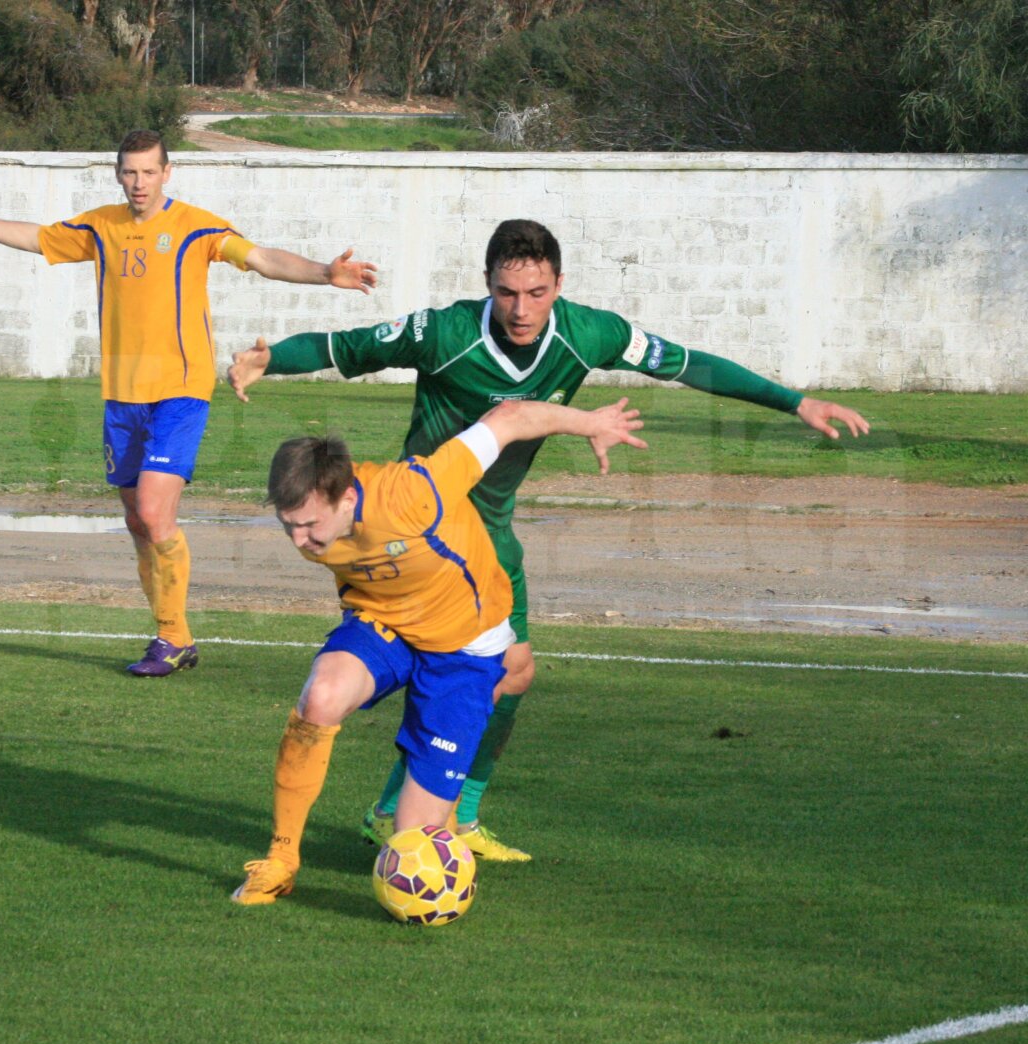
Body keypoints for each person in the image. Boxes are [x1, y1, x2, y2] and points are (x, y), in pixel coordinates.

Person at [229, 218, 870, 860]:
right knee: (458, 671)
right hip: (419, 539)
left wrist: (796, 403)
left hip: (493, 539)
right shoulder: (446, 333)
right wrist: (271, 359)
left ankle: (445, 814)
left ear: (559, 284)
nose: (521, 308)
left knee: (514, 675)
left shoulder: (591, 333)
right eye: (507, 292)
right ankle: (403, 813)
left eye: (536, 292)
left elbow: (686, 363)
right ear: (487, 285)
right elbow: (348, 348)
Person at [0, 129, 377, 677]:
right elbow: (39, 237)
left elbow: (259, 258)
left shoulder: (195, 227)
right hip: (121, 400)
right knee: (139, 523)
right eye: (130, 172)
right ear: (118, 174)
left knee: (157, 514)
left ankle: (170, 637)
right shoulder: (100, 226)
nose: (139, 182)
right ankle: (174, 636)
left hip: (180, 394)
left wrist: (324, 274)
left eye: (149, 172)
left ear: (168, 173)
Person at [231, 396, 647, 905]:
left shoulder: (412, 491)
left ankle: (422, 825)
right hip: (382, 621)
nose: (299, 540)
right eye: (287, 524)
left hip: (464, 646)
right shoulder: (315, 522)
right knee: (321, 696)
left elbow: (509, 418)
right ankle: (281, 859)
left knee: (413, 845)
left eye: (310, 525)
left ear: (346, 498)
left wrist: (594, 423)